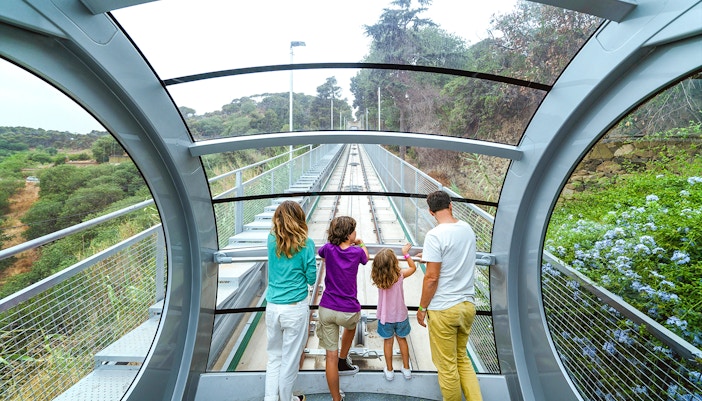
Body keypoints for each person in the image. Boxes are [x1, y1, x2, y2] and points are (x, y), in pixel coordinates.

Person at [416, 190, 483, 401]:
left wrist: (421, 308)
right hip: (467, 306)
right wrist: (428, 257)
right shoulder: (467, 229)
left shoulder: (435, 235)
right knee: (462, 359)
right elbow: (454, 258)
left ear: (430, 211)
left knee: (446, 366)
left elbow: (432, 278)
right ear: (451, 205)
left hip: (444, 309)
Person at [265, 201, 317, 401]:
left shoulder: (271, 240)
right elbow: (312, 277)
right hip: (295, 308)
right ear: (299, 219)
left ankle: (270, 399)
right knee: (290, 361)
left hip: (273, 307)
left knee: (274, 358)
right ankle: (287, 399)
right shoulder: (306, 244)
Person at [317, 216, 369, 401]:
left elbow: (321, 251)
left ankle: (336, 398)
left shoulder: (329, 249)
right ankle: (343, 357)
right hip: (348, 310)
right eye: (354, 231)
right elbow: (366, 257)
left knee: (328, 357)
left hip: (327, 308)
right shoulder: (356, 252)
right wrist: (361, 243)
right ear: (349, 235)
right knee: (351, 325)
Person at [371, 243, 417, 381]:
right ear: (395, 263)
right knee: (402, 340)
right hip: (401, 315)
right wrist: (406, 254)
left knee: (388, 342)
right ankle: (406, 369)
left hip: (386, 318)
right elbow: (413, 267)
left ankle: (390, 370)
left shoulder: (378, 279)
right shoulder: (400, 275)